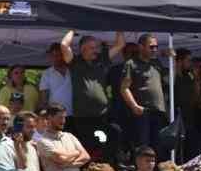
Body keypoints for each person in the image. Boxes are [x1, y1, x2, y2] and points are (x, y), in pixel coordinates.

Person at [66, 31, 119, 160]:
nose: (96, 51)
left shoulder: (102, 60)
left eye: (97, 47)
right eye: (92, 48)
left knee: (112, 135)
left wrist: (119, 25)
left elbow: (120, 44)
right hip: (82, 115)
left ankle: (107, 166)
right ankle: (88, 170)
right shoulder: (75, 62)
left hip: (102, 113)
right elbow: (63, 45)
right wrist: (72, 30)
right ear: (83, 49)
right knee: (86, 144)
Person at [118, 33, 168, 156]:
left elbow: (168, 81)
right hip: (143, 111)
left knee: (157, 144)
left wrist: (171, 59)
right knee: (143, 145)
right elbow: (124, 88)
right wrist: (134, 106)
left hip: (158, 111)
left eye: (156, 47)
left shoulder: (156, 63)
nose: (154, 50)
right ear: (141, 47)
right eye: (151, 47)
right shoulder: (131, 64)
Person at [39, 40, 74, 115]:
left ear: (64, 55)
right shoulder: (46, 73)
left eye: (58, 55)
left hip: (74, 114)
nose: (55, 58)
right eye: (53, 55)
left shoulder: (73, 70)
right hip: (55, 115)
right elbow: (44, 97)